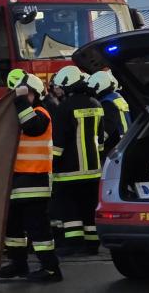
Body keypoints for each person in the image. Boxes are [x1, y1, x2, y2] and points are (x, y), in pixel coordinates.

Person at [0, 70, 61, 282]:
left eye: (27, 95)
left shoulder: (42, 113)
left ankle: (51, 269)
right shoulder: (19, 115)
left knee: (38, 228)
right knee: (13, 227)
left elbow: (32, 127)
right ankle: (18, 264)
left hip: (35, 181)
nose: (21, 99)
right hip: (16, 181)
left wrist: (22, 99)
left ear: (35, 94)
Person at [49, 65, 105, 257]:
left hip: (69, 171)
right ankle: (92, 244)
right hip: (94, 170)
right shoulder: (96, 104)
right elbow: (101, 140)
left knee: (70, 210)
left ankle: (74, 244)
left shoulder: (64, 108)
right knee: (89, 208)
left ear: (67, 85)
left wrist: (52, 165)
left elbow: (58, 142)